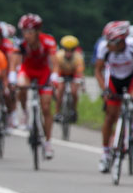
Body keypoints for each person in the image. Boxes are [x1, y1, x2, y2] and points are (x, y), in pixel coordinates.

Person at [13, 13, 57, 159]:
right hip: (28, 70)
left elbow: (54, 62)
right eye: (24, 31)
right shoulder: (21, 43)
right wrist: (13, 76)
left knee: (45, 107)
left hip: (43, 72)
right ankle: (25, 112)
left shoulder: (48, 41)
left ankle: (48, 142)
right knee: (20, 86)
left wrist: (55, 77)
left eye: (30, 32)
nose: (26, 35)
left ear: (38, 32)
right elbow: (15, 62)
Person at [94, 21, 133, 172]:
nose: (108, 44)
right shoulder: (104, 48)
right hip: (114, 80)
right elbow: (98, 70)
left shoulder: (131, 46)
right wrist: (104, 89)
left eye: (112, 42)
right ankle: (105, 153)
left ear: (121, 40)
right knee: (110, 116)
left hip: (130, 78)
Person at [53, 35, 85, 123]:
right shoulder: (59, 56)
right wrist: (55, 79)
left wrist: (82, 83)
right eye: (66, 50)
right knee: (60, 91)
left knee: (74, 91)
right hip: (62, 74)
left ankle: (73, 110)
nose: (69, 53)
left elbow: (80, 72)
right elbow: (55, 69)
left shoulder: (78, 57)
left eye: (71, 50)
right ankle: (57, 112)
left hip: (73, 74)